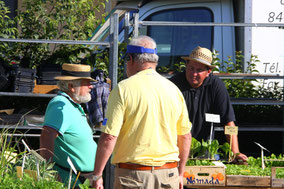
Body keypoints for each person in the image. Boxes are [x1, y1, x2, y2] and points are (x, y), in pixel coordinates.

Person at [92, 35, 192, 189]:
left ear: (131, 59)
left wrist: (97, 175)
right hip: (168, 175)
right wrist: (180, 173)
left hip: (133, 176)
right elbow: (185, 136)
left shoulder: (123, 89)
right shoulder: (174, 90)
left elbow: (109, 136)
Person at [170, 46, 248, 163]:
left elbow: (228, 121)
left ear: (208, 72)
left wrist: (235, 152)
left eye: (199, 70)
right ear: (186, 65)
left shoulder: (216, 86)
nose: (194, 73)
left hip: (206, 150)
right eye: (191, 68)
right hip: (176, 149)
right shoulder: (174, 84)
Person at [40, 63, 97, 188]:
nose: (91, 86)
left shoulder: (72, 105)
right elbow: (47, 136)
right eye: (86, 83)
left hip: (82, 179)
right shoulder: (60, 104)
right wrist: (50, 171)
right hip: (69, 180)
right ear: (71, 86)